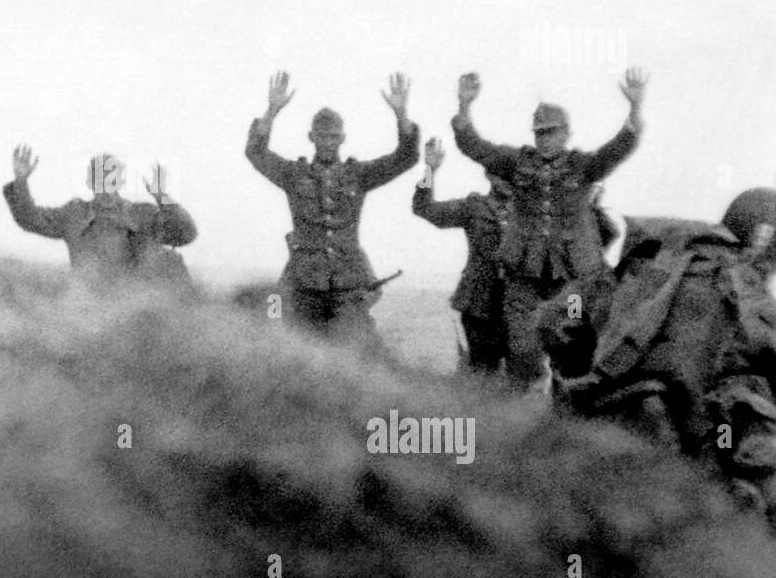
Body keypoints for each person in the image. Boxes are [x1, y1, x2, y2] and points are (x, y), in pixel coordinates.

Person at [542, 189, 776, 528]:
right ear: (762, 240)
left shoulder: (638, 266)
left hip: (602, 419)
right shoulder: (743, 286)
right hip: (687, 440)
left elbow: (559, 322)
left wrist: (577, 376)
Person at [451, 68, 647, 382]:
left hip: (571, 283)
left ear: (566, 133)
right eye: (540, 132)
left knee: (571, 345)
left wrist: (634, 109)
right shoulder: (516, 162)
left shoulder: (582, 166)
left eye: (551, 131)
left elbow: (617, 149)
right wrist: (464, 105)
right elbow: (474, 147)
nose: (545, 138)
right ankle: (522, 417)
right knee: (523, 349)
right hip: (524, 281)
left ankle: (565, 415)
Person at [246, 70, 419, 341]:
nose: (328, 142)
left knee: (363, 349)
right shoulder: (293, 174)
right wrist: (272, 110)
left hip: (349, 281)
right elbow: (255, 153)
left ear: (342, 138)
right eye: (322, 136)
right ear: (311, 137)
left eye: (333, 136)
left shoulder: (359, 175)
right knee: (274, 321)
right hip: (303, 278)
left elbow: (405, 158)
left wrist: (401, 113)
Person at [2, 148, 197, 284]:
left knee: (172, 260)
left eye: (111, 180)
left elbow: (185, 234)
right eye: (99, 179)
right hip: (91, 306)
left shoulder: (143, 215)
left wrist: (162, 197)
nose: (105, 188)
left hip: (138, 307)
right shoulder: (74, 214)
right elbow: (30, 219)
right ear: (90, 182)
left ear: (120, 182)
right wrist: (20, 182)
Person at [412, 137, 510, 374]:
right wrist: (429, 171)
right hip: (479, 305)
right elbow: (425, 208)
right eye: (499, 173)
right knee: (481, 374)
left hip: (518, 304)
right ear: (489, 176)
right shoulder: (473, 207)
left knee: (522, 377)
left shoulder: (533, 213)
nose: (506, 180)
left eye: (511, 174)